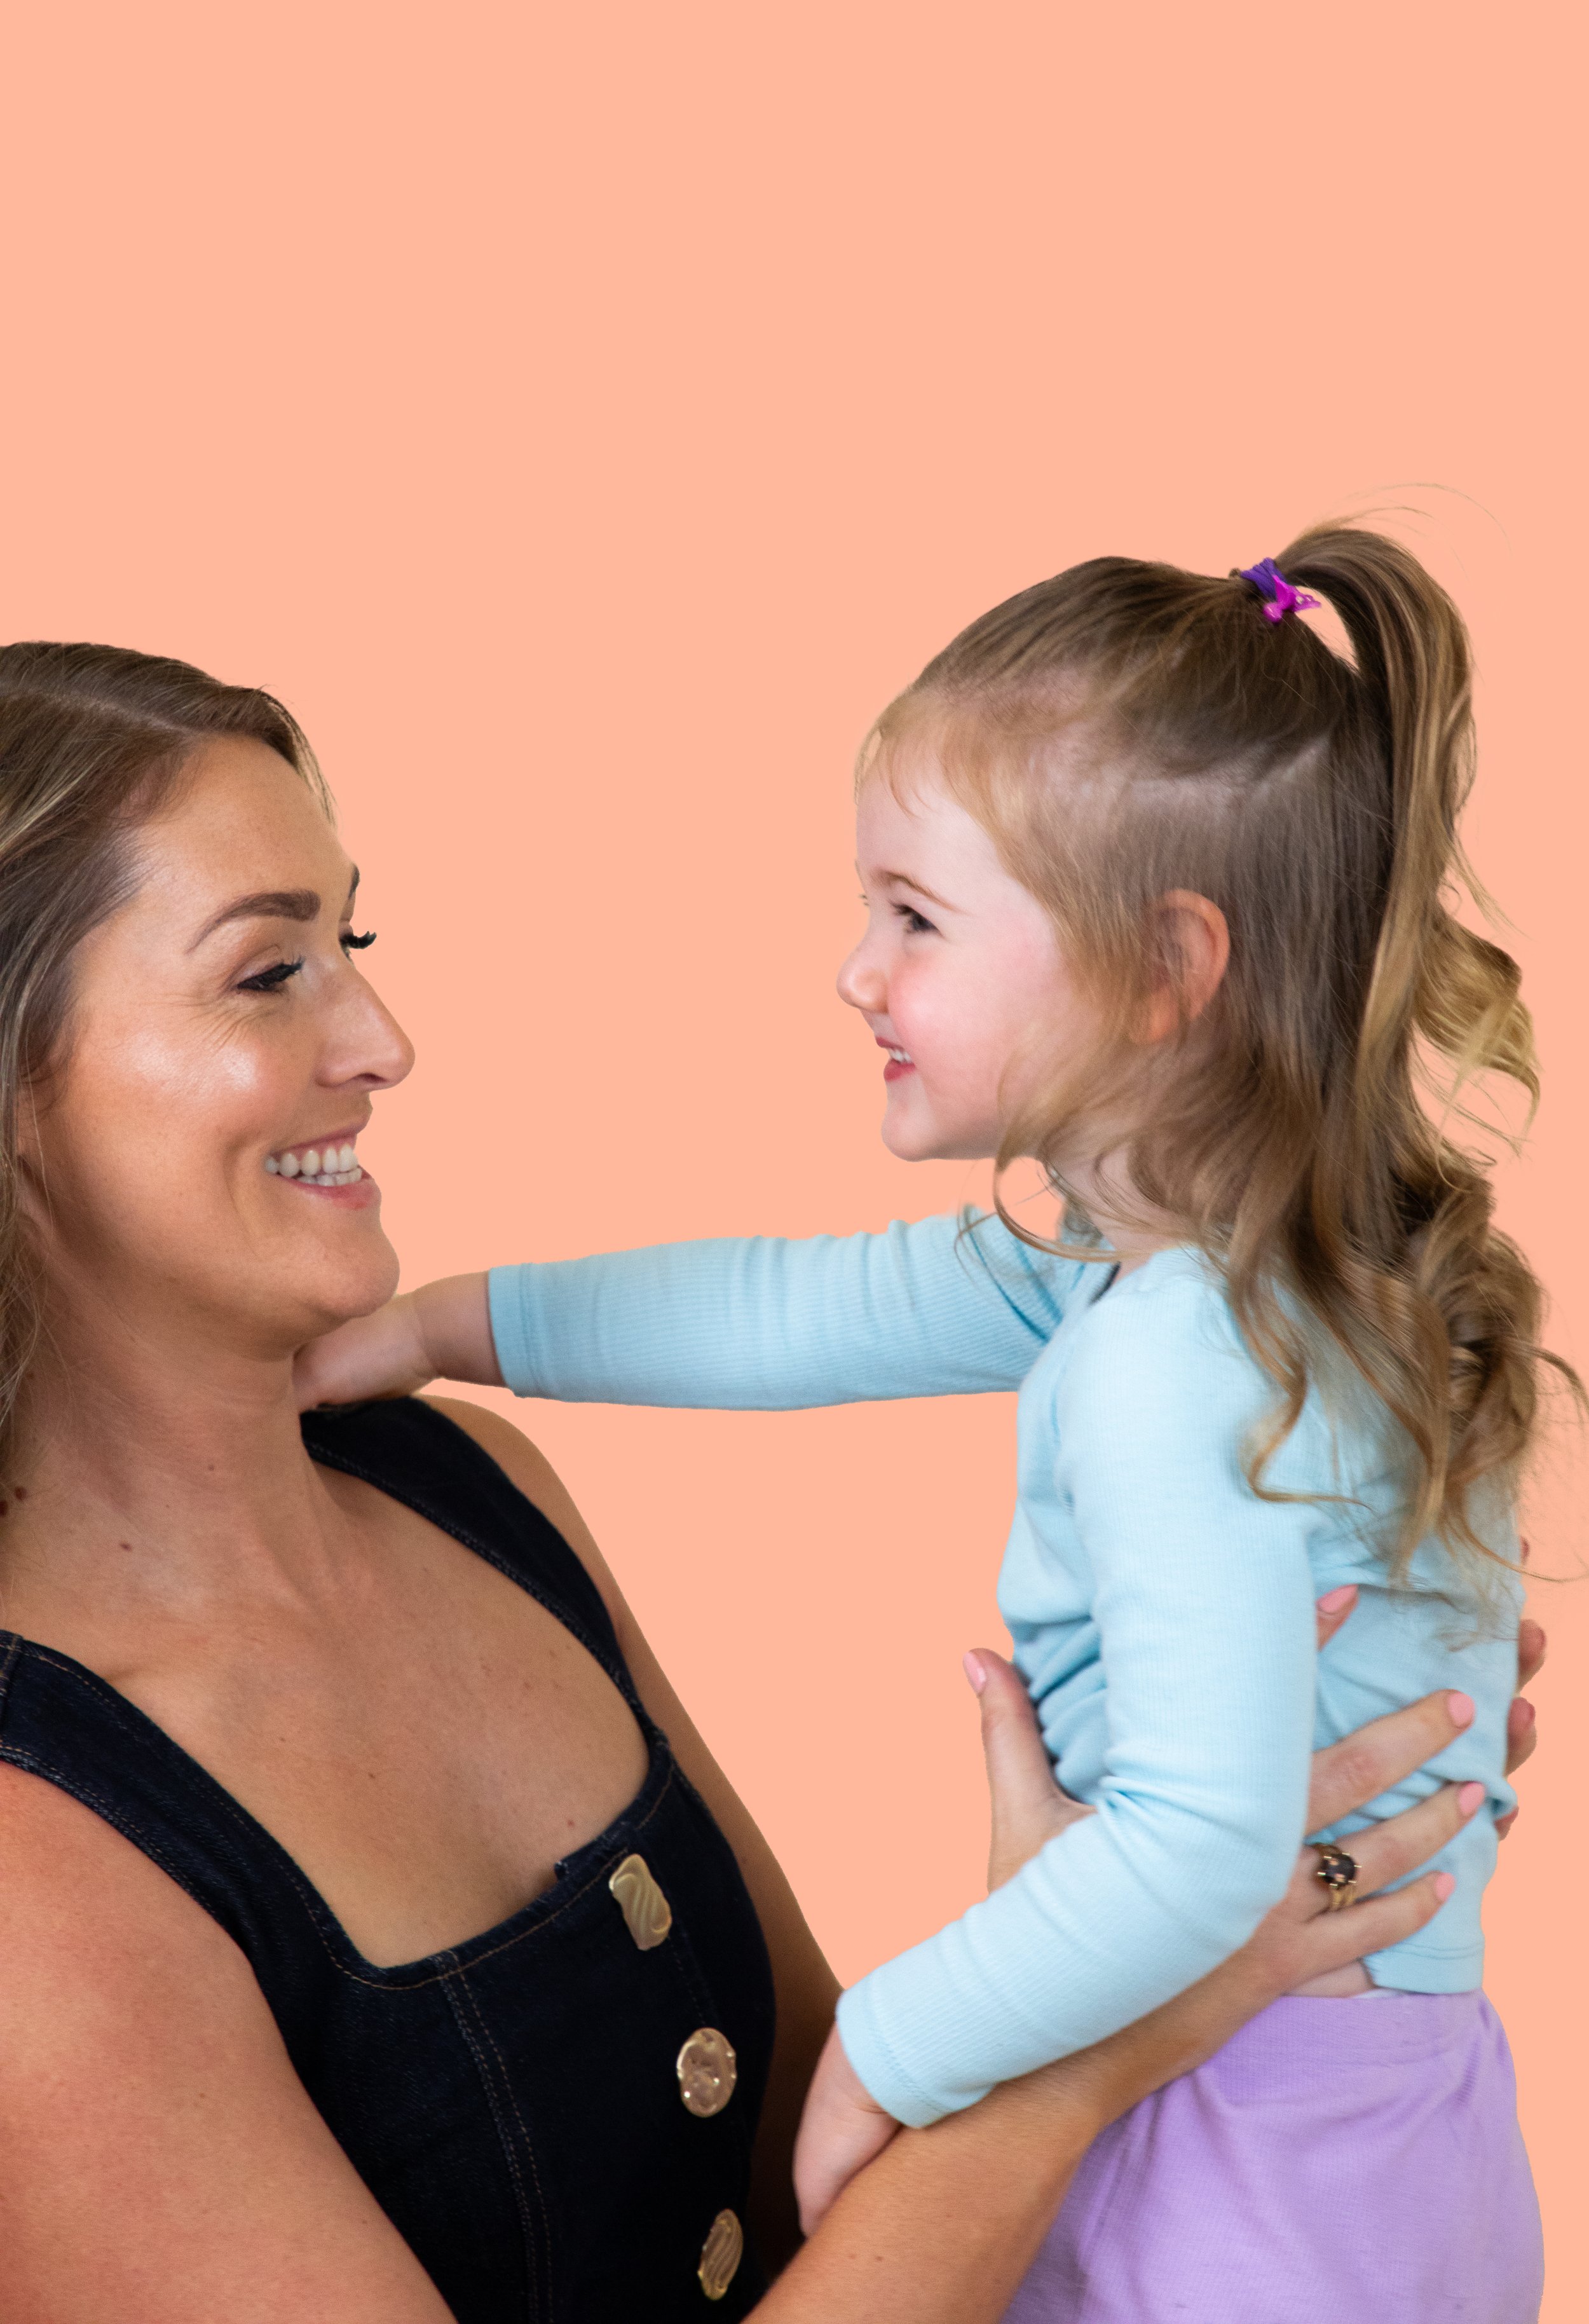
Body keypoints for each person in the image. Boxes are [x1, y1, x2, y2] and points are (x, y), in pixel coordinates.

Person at [0, 637, 1530, 2324]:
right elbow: (811, 1305)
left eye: (348, 943)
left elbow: (818, 2174)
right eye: (267, 970)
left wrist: (1151, 1879)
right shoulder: (33, 1863)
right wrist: (1112, 2019)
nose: (383, 1038)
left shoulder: (468, 1495)